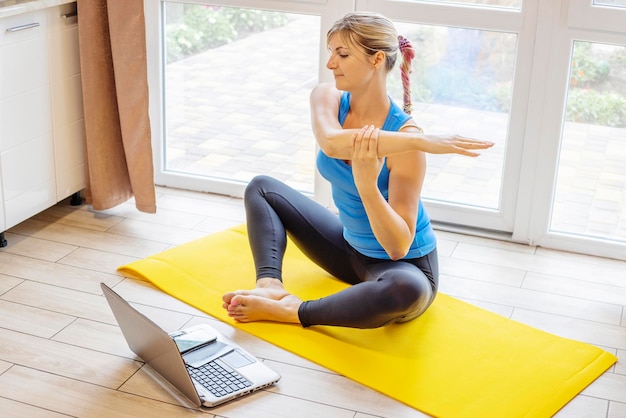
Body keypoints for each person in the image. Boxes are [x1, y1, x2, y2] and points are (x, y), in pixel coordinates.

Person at [221, 12, 492, 329]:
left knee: (405, 291)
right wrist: (427, 141)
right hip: (348, 248)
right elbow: (332, 143)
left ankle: (291, 311)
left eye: (343, 54)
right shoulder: (329, 97)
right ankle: (270, 287)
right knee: (262, 187)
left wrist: (368, 186)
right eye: (331, 52)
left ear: (377, 60)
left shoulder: (407, 142)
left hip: (402, 266)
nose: (330, 64)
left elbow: (397, 246)